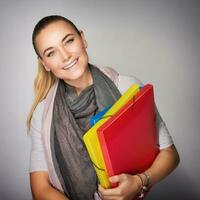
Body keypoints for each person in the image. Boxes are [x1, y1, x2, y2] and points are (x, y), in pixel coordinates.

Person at [27, 15, 180, 200]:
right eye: (51, 53)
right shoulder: (43, 114)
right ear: (45, 63)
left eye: (69, 41)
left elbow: (170, 154)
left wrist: (139, 182)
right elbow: (40, 189)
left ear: (83, 39)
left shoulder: (126, 87)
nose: (65, 55)